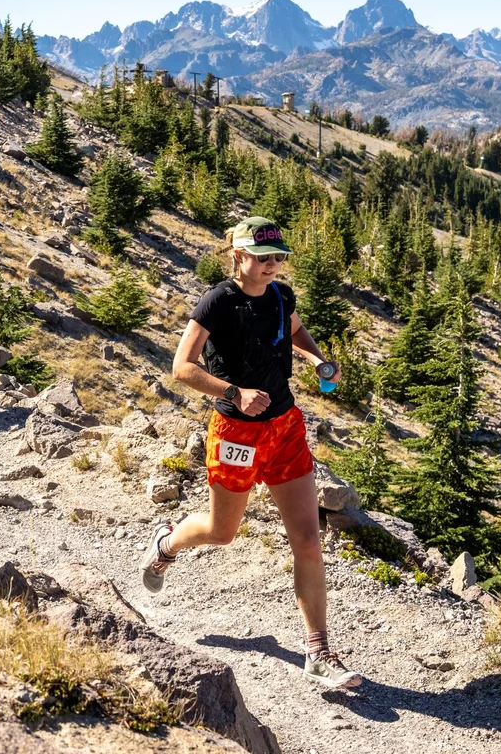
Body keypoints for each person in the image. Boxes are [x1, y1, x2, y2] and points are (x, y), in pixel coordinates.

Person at [141, 216, 362, 690]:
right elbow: (181, 367)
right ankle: (166, 544)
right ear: (237, 255)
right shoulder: (217, 301)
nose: (272, 265)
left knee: (307, 539)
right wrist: (234, 391)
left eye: (278, 257)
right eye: (263, 258)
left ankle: (318, 651)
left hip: (284, 428)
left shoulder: (281, 297)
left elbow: (296, 331)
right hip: (236, 433)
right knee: (223, 532)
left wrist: (318, 358)